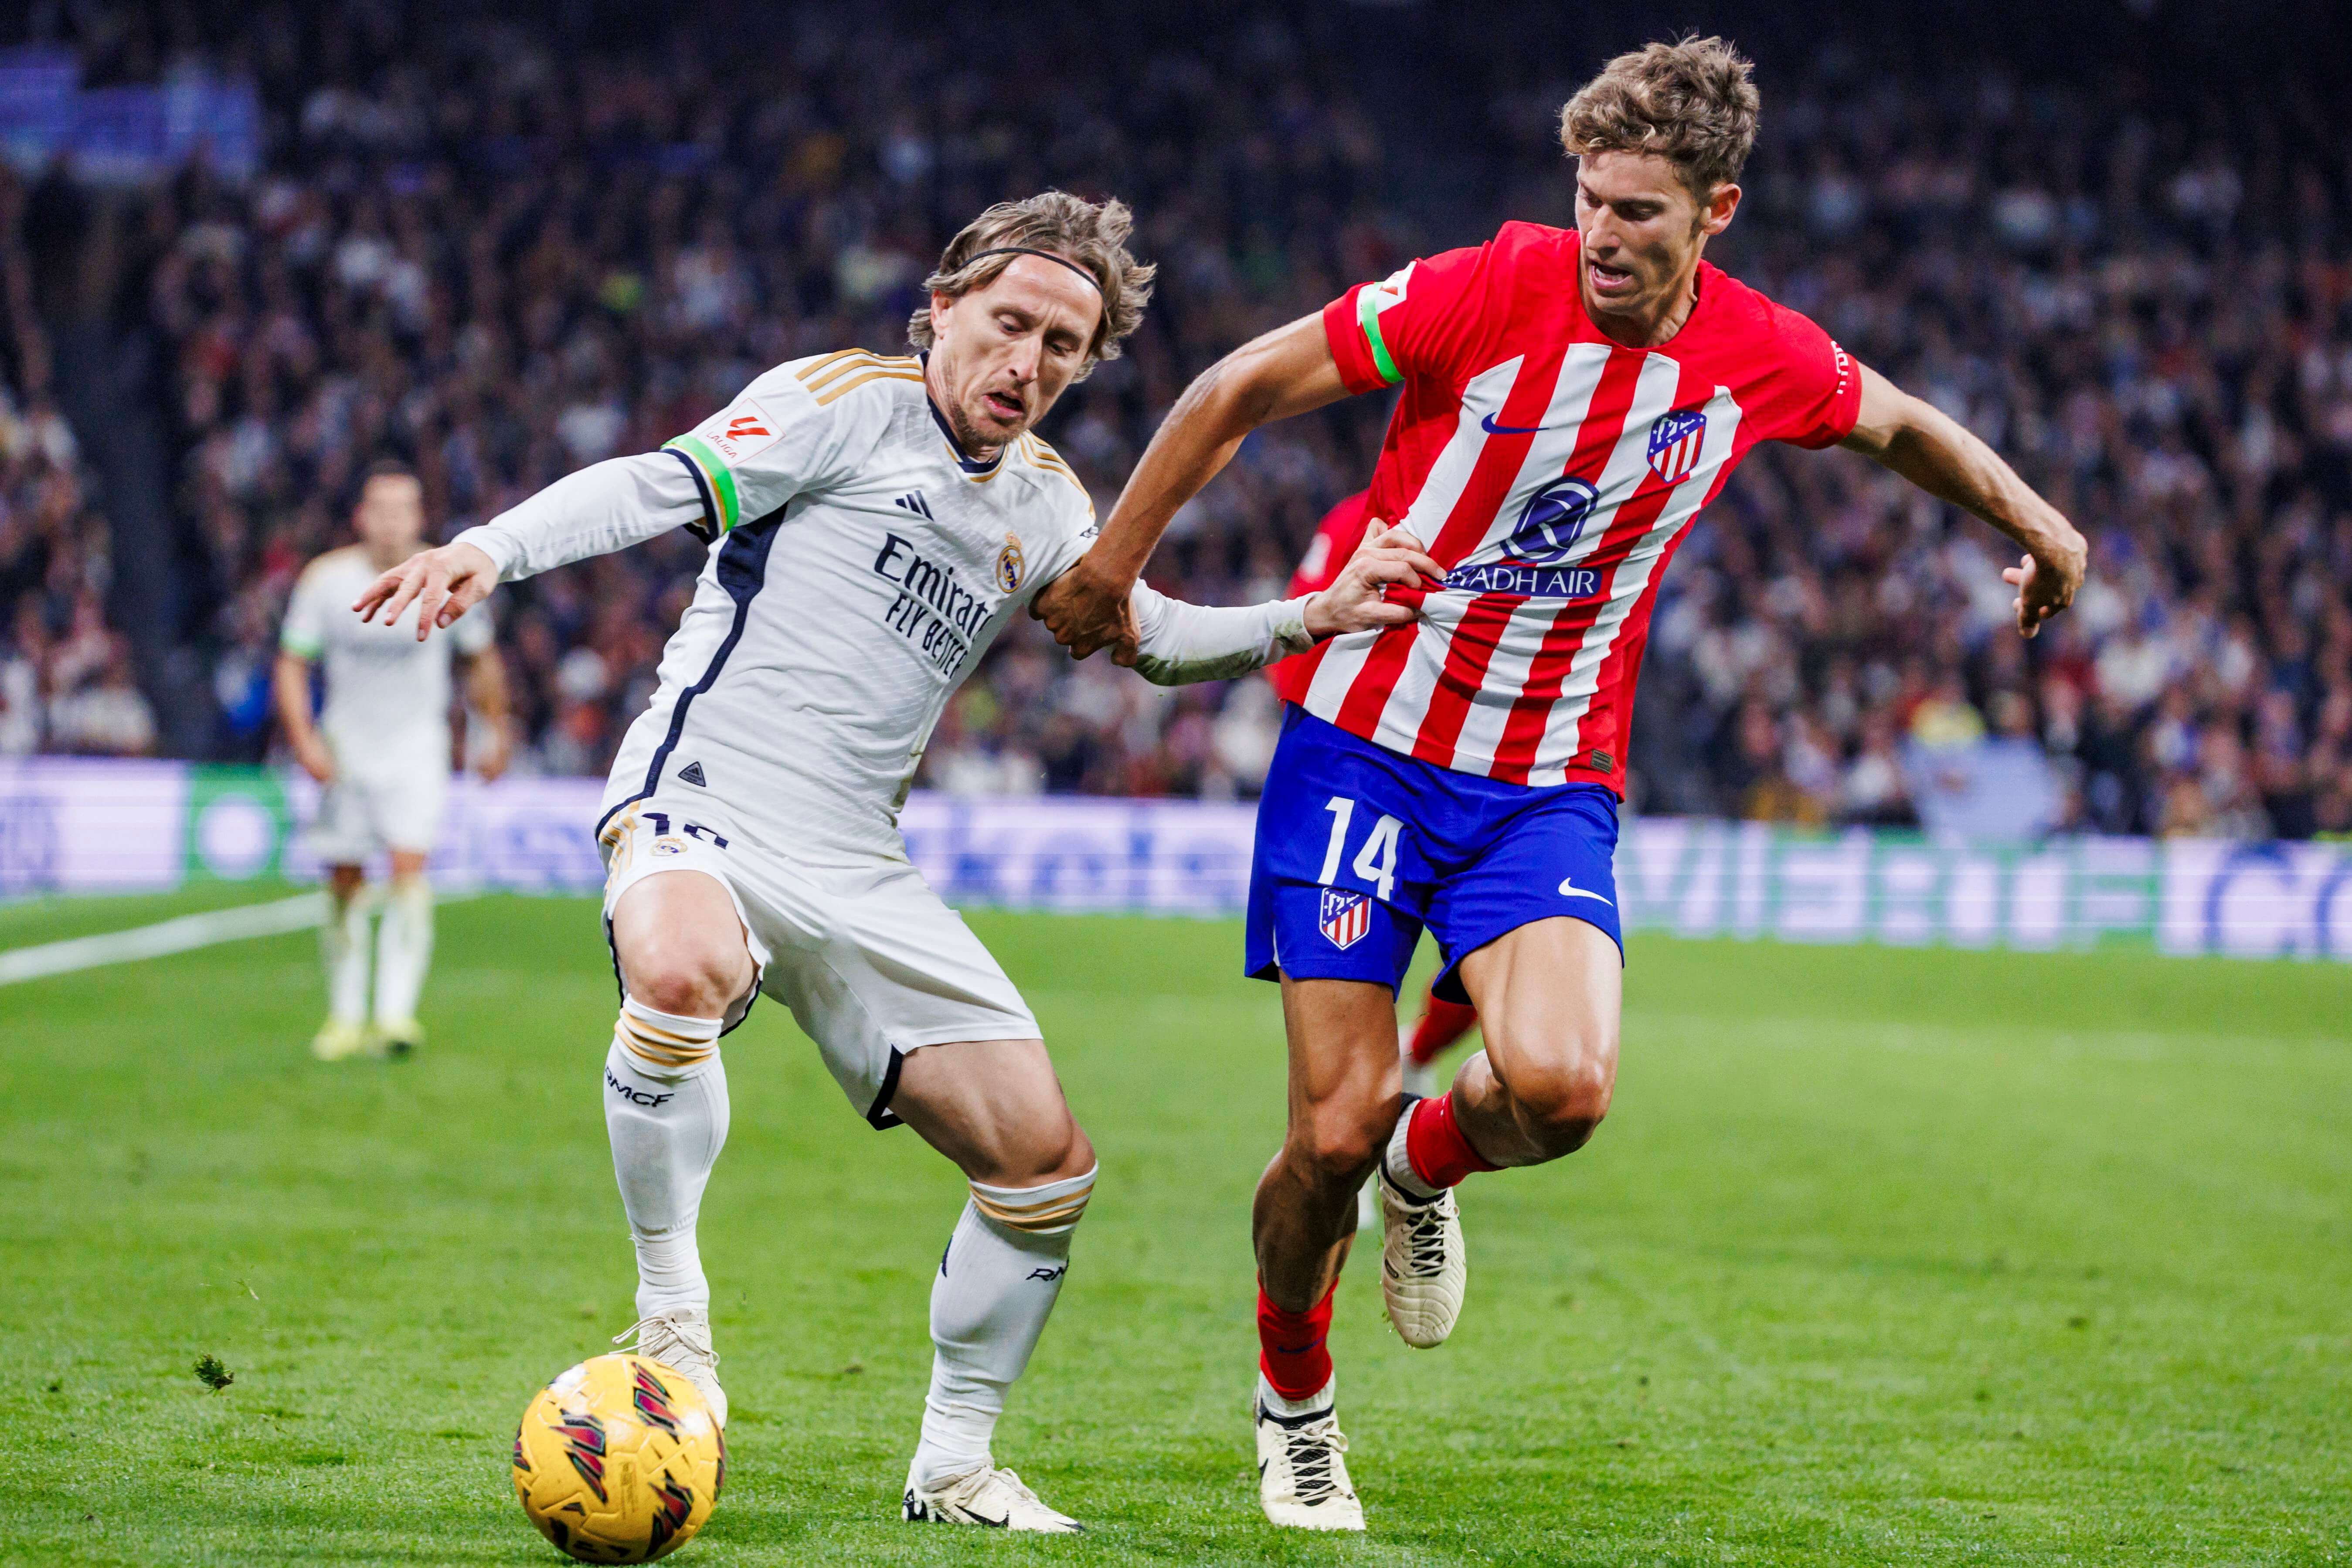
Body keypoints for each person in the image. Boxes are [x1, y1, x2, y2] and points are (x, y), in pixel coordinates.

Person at [1034, 38, 2088, 1531]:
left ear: (1712, 213)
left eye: (1640, 212)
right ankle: (1294, 1401)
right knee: (1319, 1133)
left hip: (1542, 782)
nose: (1603, 233)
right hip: (1361, 744)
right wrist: (1109, 568)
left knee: (1563, 1085)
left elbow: (1899, 424)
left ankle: (1425, 1161)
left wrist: (2041, 524)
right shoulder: (1483, 285)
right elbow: (1235, 386)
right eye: (1590, 199)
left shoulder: (1757, 354)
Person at [352, 192, 1434, 1533]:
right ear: (939, 311)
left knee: (1044, 1163)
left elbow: (1139, 629)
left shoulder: (1042, 500)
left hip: (858, 861)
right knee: (682, 965)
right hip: (706, 796)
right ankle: (673, 1314)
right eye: (1008, 324)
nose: (1027, 362)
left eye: (1062, 345)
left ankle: (954, 1465)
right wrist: (486, 549)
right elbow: (658, 476)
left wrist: (1311, 615)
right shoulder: (836, 403)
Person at [1278, 491, 1483, 1250]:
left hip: (1483, 787)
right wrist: (1323, 725)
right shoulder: (1356, 516)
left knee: (1487, 990)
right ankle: (1350, 1158)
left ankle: (1416, 1063)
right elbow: (1301, 621)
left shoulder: (1531, 512)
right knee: (1340, 996)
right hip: (1365, 777)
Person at [275, 459, 511, 1061]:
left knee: (409, 869)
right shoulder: (325, 580)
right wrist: (304, 738)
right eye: (380, 509)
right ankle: (346, 1015)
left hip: (416, 747)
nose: (390, 522)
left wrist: (495, 730)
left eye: (402, 509)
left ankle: (395, 1014)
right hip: (347, 747)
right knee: (347, 878)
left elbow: (481, 660)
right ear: (361, 516)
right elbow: (293, 663)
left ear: (419, 517)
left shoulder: (447, 575)